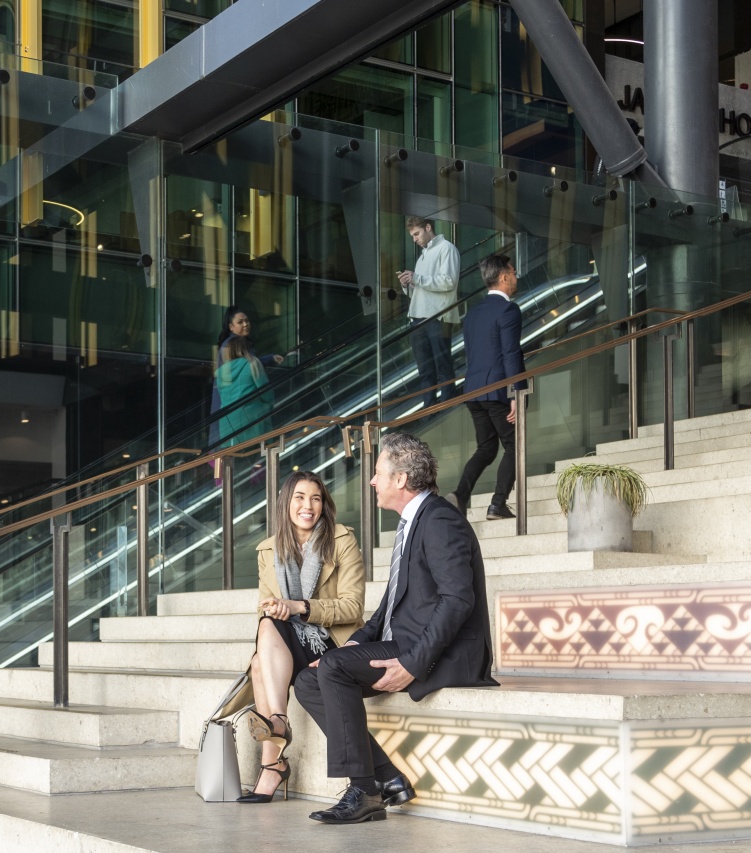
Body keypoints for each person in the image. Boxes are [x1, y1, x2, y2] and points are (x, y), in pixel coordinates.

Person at [294, 432, 497, 825]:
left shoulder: (440, 520)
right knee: (308, 680)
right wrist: (352, 645)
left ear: (400, 479)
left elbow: (458, 600)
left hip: (442, 654)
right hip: (405, 642)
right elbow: (388, 607)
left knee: (332, 669)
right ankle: (387, 777)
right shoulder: (414, 522)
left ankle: (365, 790)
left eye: (378, 473)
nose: (372, 481)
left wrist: (413, 664)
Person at [237, 472, 366, 804]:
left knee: (259, 663)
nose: (308, 506)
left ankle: (274, 759)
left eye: (315, 498)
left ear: (323, 505)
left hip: (331, 641)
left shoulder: (341, 540)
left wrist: (300, 607)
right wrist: (277, 608)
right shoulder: (268, 549)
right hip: (289, 640)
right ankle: (278, 732)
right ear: (286, 503)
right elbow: (265, 607)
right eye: (300, 497)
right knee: (264, 638)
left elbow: (353, 607)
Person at [446, 253, 525, 520]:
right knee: (515, 445)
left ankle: (460, 494)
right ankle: (497, 504)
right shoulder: (508, 310)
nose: (515, 277)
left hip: (474, 390)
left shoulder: (473, 313)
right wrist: (515, 393)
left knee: (487, 448)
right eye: (512, 272)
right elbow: (510, 353)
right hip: (498, 390)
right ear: (503, 277)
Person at [396, 217, 460, 404]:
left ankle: (447, 405)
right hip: (418, 317)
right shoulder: (423, 255)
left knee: (442, 364)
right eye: (412, 236)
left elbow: (449, 281)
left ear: (428, 227)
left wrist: (417, 278)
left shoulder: (447, 248)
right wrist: (407, 284)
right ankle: (429, 409)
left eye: (417, 234)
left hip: (438, 316)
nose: (414, 239)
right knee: (425, 369)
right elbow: (420, 290)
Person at [209, 306, 283, 446]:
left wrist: (268, 359)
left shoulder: (232, 345)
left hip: (228, 417)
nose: (245, 324)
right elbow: (247, 368)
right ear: (231, 327)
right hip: (247, 415)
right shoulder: (230, 346)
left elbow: (241, 366)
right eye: (240, 322)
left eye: (247, 321)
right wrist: (269, 403)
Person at [214, 336, 273, 446]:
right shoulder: (252, 363)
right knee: (256, 454)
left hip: (227, 422)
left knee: (234, 455)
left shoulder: (222, 371)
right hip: (251, 420)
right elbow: (265, 392)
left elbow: (222, 395)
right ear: (246, 349)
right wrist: (269, 405)